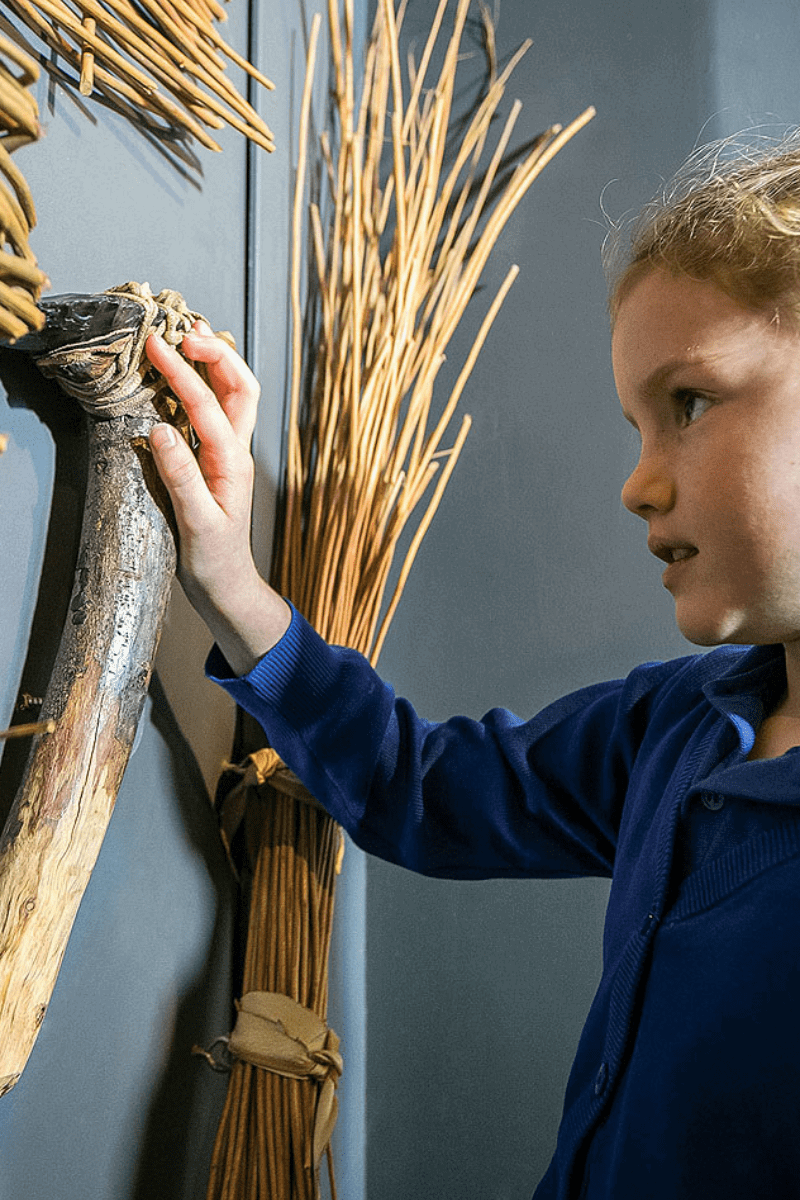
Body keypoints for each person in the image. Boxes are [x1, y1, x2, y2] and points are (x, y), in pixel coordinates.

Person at [145, 136, 800, 1199]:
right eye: (634, 426)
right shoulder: (675, 726)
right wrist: (234, 586)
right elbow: (422, 788)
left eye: (686, 402)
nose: (635, 484)